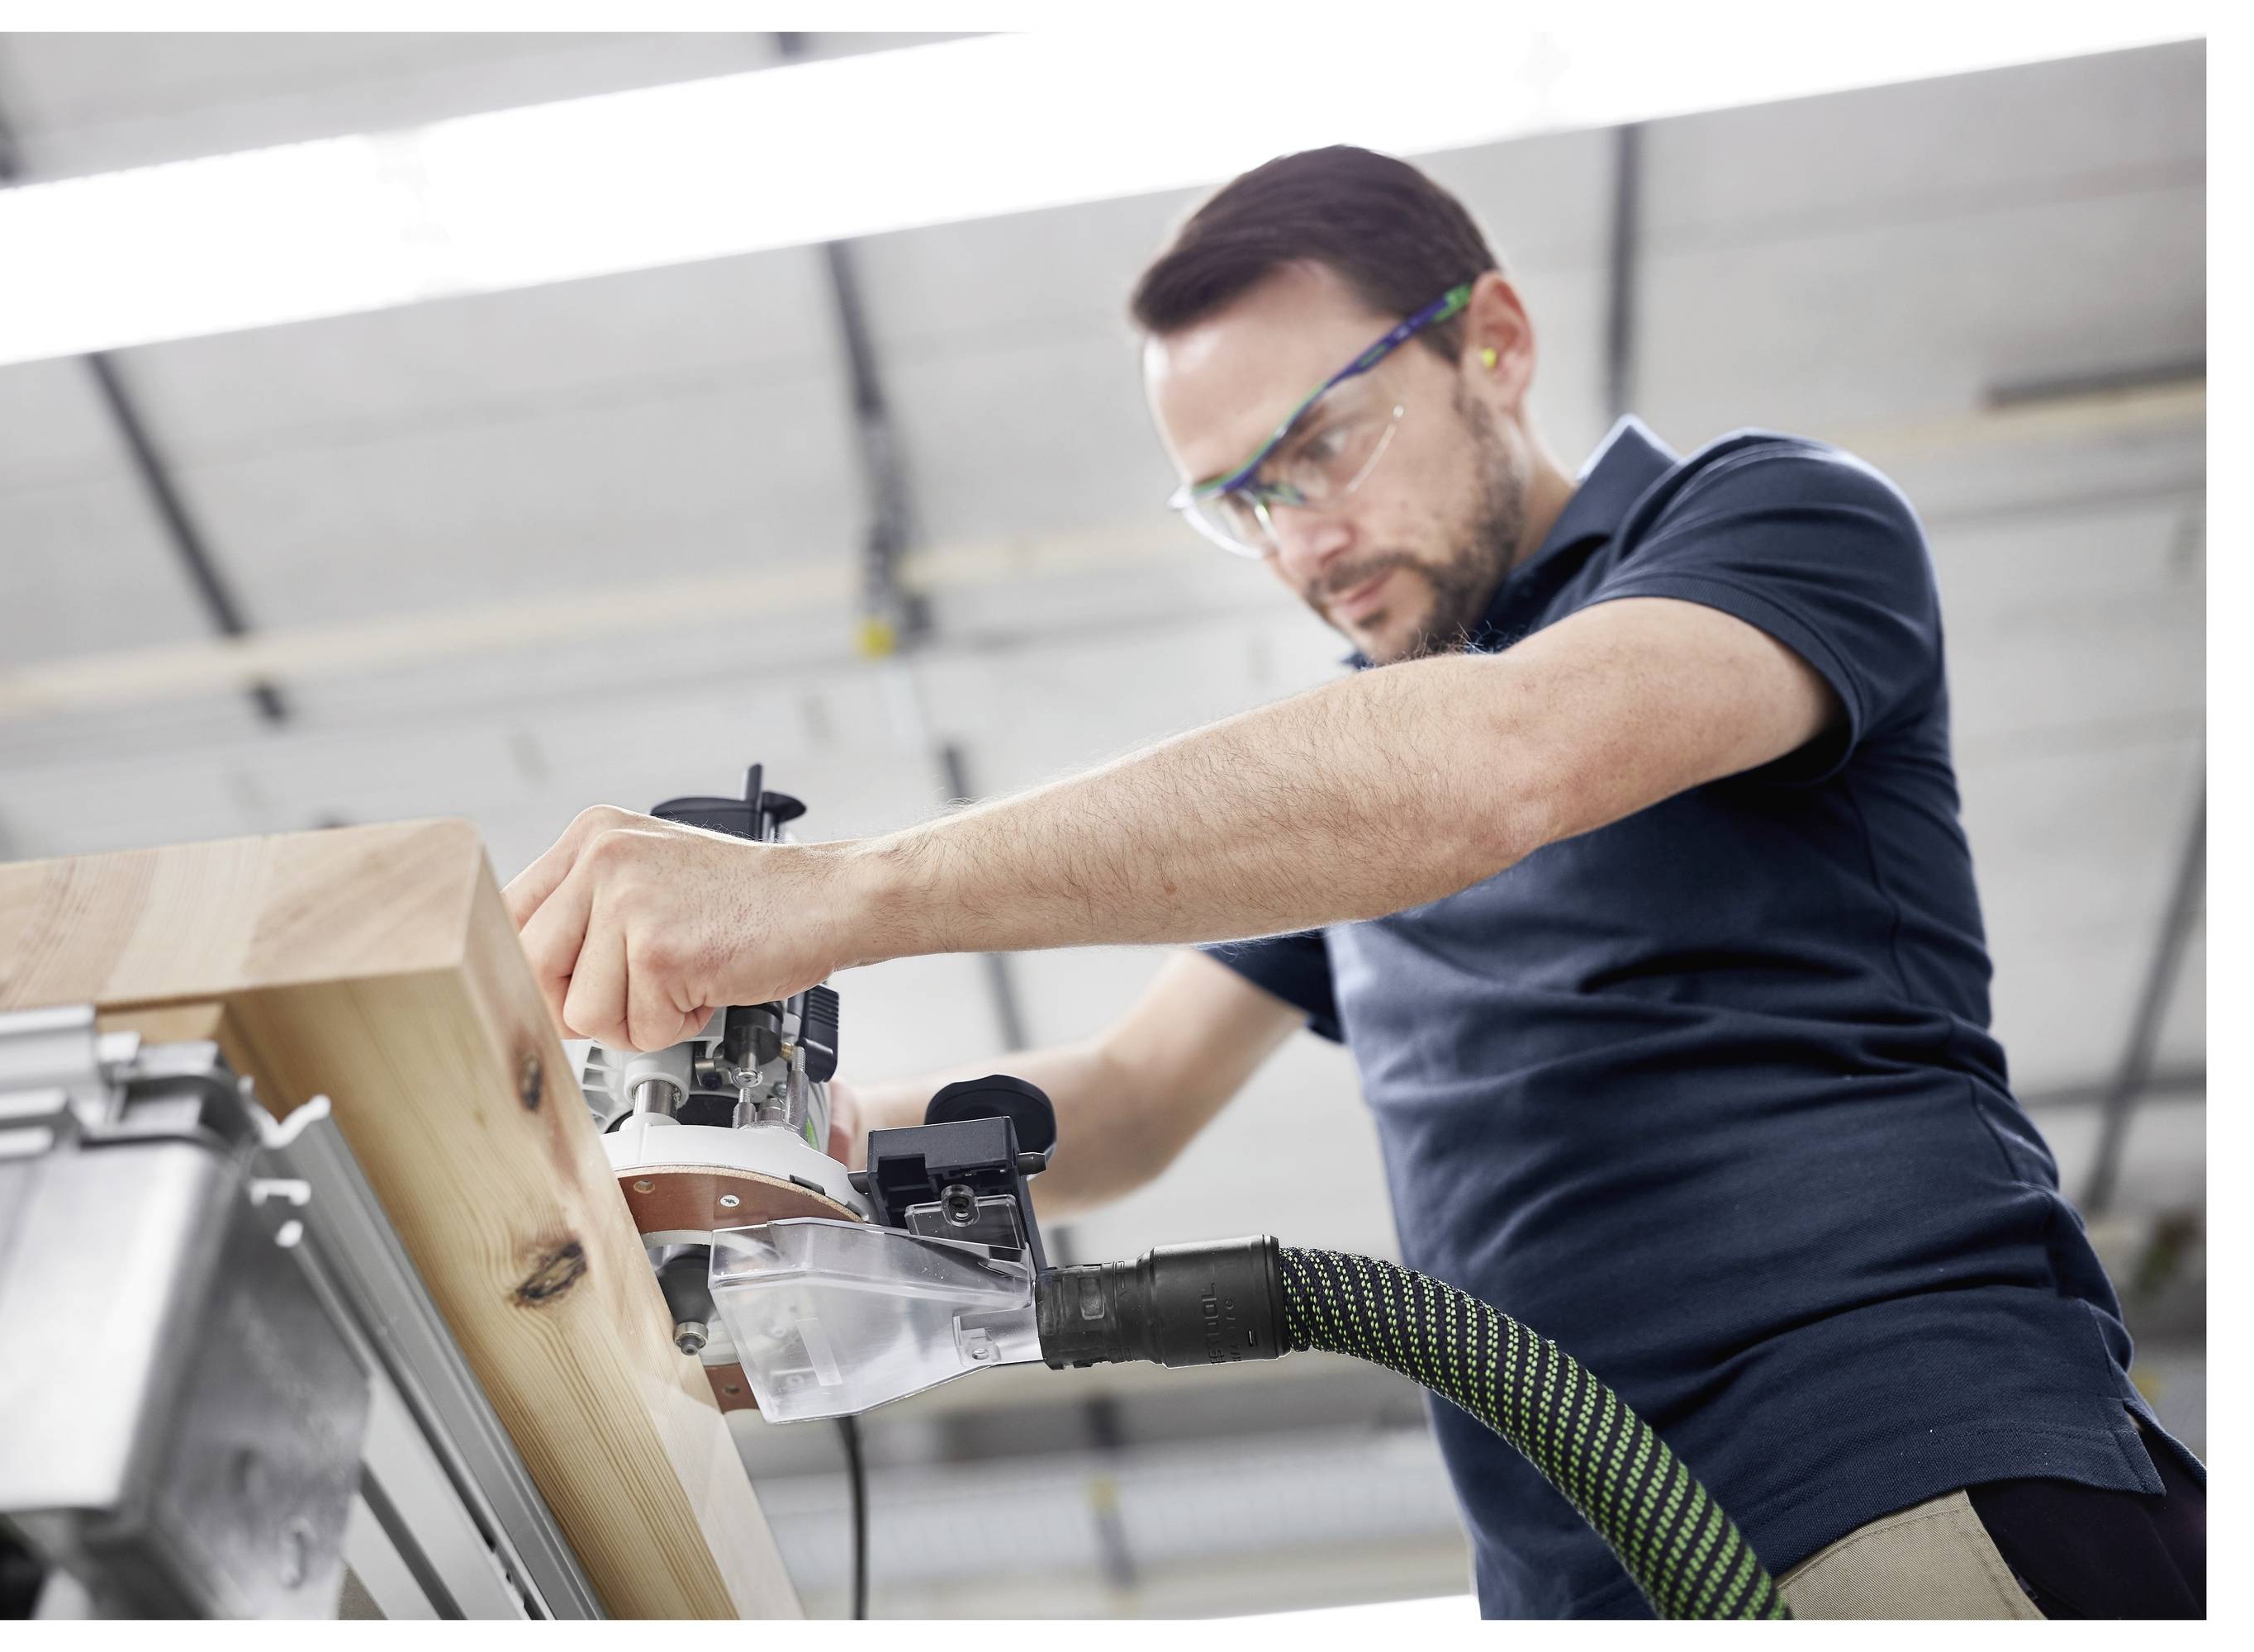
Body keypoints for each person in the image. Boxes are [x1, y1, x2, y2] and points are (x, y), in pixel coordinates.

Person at [503, 146, 2204, 1619]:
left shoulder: (1768, 525)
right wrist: (805, 1144)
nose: (1302, 539)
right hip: (1580, 1566)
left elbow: (1497, 766)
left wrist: (842, 893)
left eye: (1323, 447)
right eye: (1240, 501)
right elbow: (1129, 1098)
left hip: (1897, 1481)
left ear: (1497, 343)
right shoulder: (1353, 783)